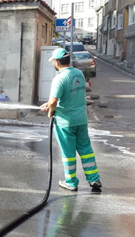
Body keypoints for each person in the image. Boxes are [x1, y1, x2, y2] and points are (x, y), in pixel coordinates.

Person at [40, 48, 102, 191]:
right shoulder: (78, 73)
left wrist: (50, 110)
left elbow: (54, 100)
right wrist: (49, 104)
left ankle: (71, 182)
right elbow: (69, 96)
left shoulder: (59, 78)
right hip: (81, 119)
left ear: (56, 62)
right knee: (86, 149)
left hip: (65, 122)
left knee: (68, 154)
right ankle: (94, 179)